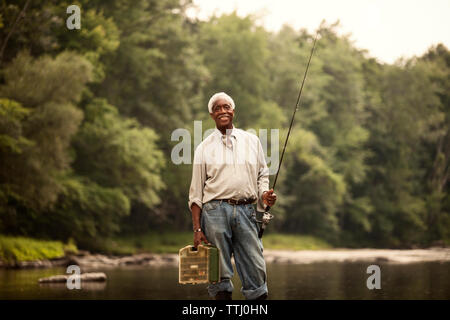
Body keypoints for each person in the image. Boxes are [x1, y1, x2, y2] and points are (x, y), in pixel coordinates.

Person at [188, 92, 277, 300]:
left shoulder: (252, 141)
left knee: (255, 267)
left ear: (233, 111)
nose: (222, 111)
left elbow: (263, 174)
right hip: (214, 213)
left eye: (226, 107)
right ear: (211, 115)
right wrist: (197, 229)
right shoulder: (203, 148)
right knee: (218, 273)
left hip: (247, 211)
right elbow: (195, 193)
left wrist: (264, 195)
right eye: (217, 108)